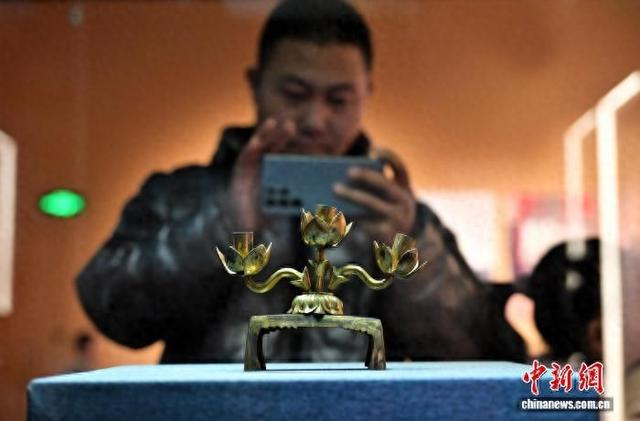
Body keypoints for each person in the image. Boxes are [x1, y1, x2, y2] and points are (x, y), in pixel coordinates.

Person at [76, 0, 523, 364]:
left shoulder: (393, 215)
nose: (314, 120)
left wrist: (413, 246)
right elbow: (112, 309)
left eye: (338, 100)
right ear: (256, 85)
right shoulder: (182, 195)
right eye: (294, 95)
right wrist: (224, 221)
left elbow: (483, 350)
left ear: (366, 93)